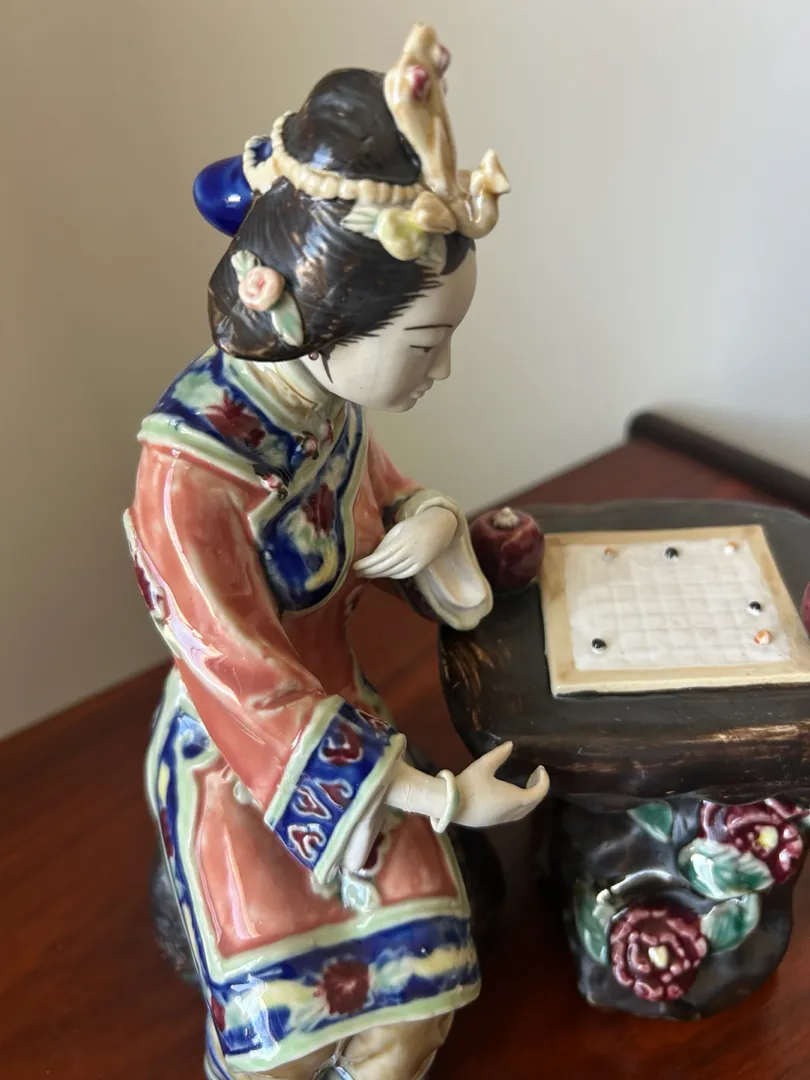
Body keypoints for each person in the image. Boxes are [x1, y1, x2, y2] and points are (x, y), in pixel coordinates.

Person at [126, 25, 548, 1080]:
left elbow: (388, 497)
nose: (439, 372)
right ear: (312, 312)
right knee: (280, 1046)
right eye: (423, 347)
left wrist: (432, 525)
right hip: (247, 760)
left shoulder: (320, 409)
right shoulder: (186, 477)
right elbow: (245, 683)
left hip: (349, 721)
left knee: (418, 1006)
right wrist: (441, 800)